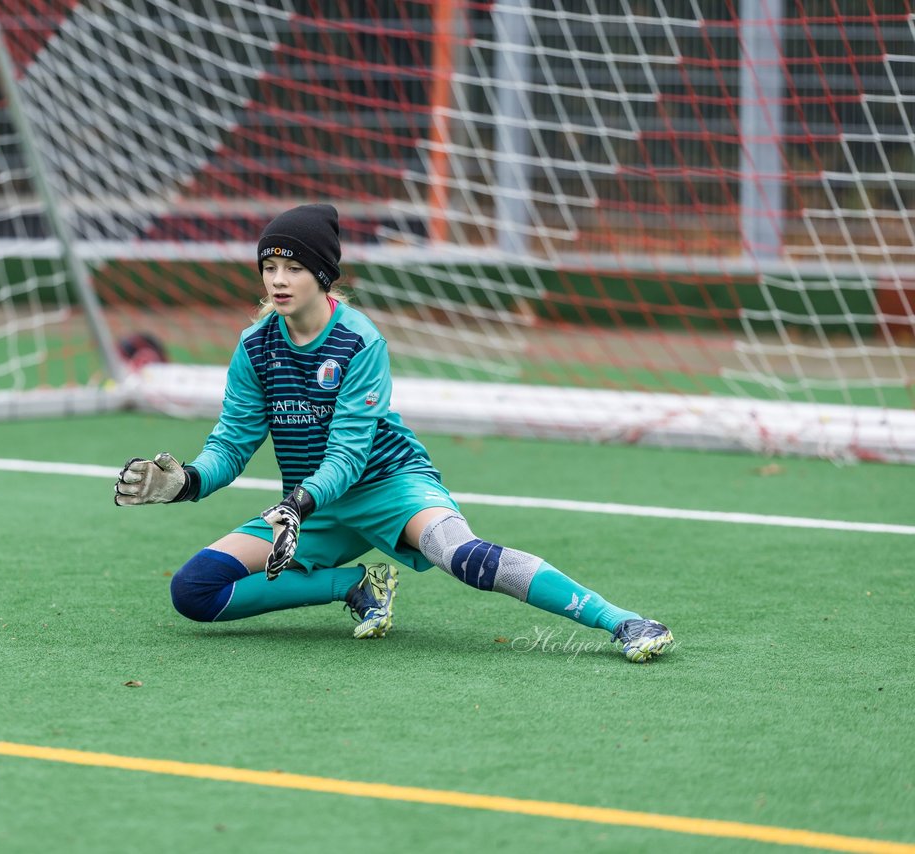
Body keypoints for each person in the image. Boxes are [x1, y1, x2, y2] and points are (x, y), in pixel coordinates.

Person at [113, 204, 673, 662]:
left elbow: (350, 454)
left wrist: (296, 503)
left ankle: (621, 620)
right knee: (194, 591)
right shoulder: (255, 345)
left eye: (294, 268)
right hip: (314, 507)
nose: (278, 280)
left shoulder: (360, 341)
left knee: (462, 556)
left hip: (389, 485)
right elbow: (231, 445)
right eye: (269, 267)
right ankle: (357, 586)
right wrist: (187, 480)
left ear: (323, 274)